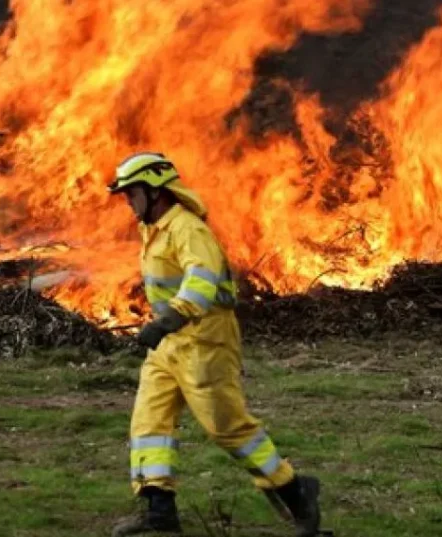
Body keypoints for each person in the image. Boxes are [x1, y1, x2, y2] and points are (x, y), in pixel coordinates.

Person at [107, 152, 325, 537]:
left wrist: (170, 318)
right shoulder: (154, 227)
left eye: (131, 192)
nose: (126, 200)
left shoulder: (188, 229)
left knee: (229, 428)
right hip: (170, 344)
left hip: (206, 341)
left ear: (155, 191)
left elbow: (201, 279)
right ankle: (159, 510)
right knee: (149, 421)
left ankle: (296, 492)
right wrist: (166, 327)